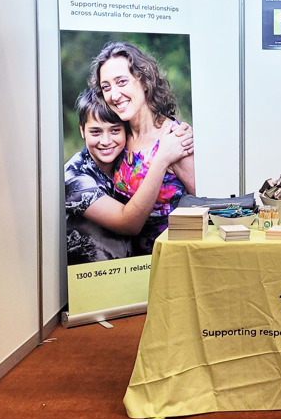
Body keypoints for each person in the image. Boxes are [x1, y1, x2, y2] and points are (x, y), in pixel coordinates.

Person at [65, 88, 193, 265]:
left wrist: (181, 133)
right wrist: (162, 158)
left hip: (135, 270)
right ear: (82, 131)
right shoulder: (74, 177)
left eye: (115, 130)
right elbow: (129, 224)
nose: (106, 141)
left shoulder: (127, 159)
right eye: (95, 132)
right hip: (92, 278)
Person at [90, 42, 195, 255]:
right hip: (127, 266)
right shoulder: (117, 138)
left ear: (145, 82)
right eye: (106, 87)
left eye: (122, 82)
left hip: (170, 259)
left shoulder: (173, 138)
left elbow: (207, 204)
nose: (114, 94)